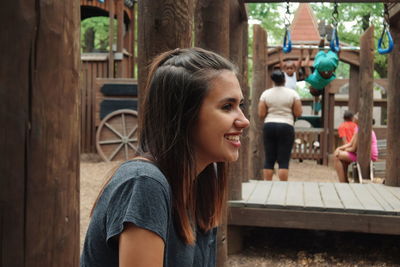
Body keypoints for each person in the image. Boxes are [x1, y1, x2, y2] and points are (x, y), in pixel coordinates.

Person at [80, 47, 250, 267]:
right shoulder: (144, 183)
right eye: (227, 107)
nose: (244, 120)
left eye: (240, 105)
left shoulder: (205, 177)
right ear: (183, 115)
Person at [258, 70, 303, 181]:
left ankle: (267, 185)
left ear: (272, 80)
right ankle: (282, 186)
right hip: (286, 125)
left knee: (269, 158)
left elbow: (261, 113)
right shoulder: (292, 94)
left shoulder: (266, 94)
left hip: (269, 125)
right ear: (285, 79)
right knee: (283, 159)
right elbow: (298, 112)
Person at [334, 118, 378, 183]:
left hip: (368, 157)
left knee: (336, 157)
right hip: (362, 154)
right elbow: (351, 143)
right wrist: (339, 148)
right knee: (342, 158)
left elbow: (353, 148)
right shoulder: (358, 128)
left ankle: (343, 183)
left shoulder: (362, 130)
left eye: (356, 116)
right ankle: (345, 181)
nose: (354, 117)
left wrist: (342, 150)